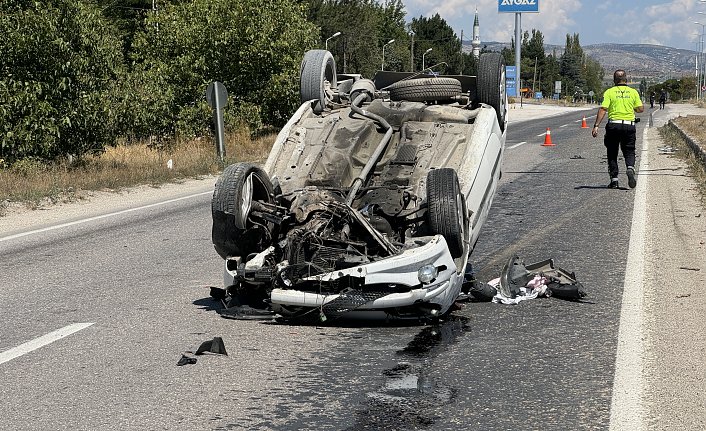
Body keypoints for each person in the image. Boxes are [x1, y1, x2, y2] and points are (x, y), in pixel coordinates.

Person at [591, 69, 644, 189]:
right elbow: (640, 109)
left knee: (612, 152)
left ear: (614, 80)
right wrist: (632, 108)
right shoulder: (633, 92)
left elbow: (603, 109)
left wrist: (596, 126)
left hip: (613, 126)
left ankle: (614, 180)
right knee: (629, 150)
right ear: (626, 79)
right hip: (629, 125)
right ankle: (630, 168)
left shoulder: (610, 92)